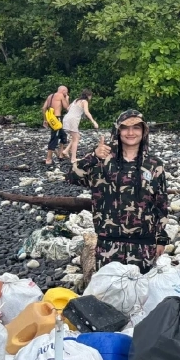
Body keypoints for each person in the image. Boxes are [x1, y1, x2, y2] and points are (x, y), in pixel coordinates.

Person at [67, 109, 168, 271]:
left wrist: (161, 238)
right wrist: (93, 156)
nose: (130, 132)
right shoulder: (101, 160)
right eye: (125, 128)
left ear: (144, 131)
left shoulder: (155, 164)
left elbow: (161, 204)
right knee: (109, 294)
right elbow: (71, 177)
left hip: (144, 245)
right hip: (109, 244)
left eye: (136, 128)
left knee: (141, 293)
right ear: (117, 130)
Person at [61, 89, 99, 164]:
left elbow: (68, 108)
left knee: (76, 136)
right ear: (88, 96)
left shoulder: (76, 100)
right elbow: (87, 112)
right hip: (73, 120)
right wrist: (94, 121)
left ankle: (66, 151)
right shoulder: (84, 101)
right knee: (76, 138)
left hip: (66, 118)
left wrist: (67, 99)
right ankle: (73, 158)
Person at [42, 86, 69, 165]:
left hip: (50, 119)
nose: (66, 93)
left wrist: (45, 120)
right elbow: (66, 107)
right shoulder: (61, 95)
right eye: (66, 92)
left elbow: (44, 108)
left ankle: (60, 154)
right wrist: (67, 98)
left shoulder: (50, 96)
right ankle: (48, 158)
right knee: (54, 138)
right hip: (57, 119)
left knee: (63, 135)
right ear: (63, 91)